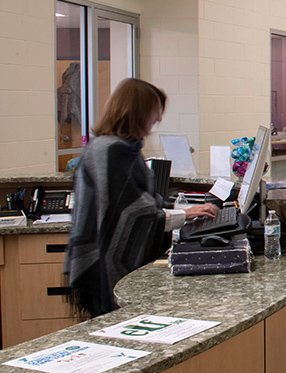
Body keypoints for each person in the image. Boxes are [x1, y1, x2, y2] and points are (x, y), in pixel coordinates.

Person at [65, 78, 219, 317]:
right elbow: (133, 214)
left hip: (101, 257)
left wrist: (180, 208)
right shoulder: (112, 151)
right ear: (137, 111)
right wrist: (185, 214)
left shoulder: (122, 147)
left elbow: (142, 199)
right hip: (104, 263)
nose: (158, 118)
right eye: (155, 111)